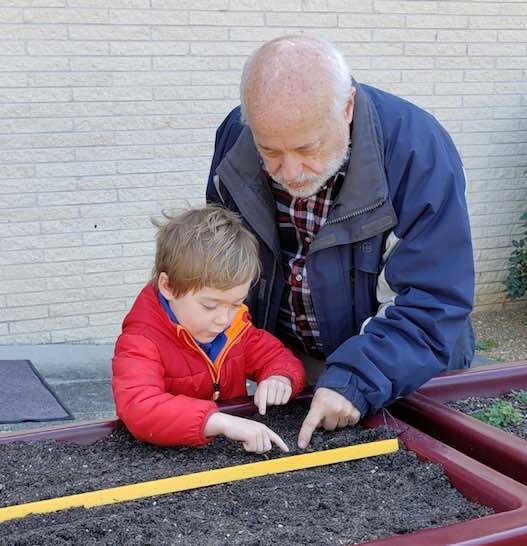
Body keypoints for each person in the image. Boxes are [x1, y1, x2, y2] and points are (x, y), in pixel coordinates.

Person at [206, 36, 475, 449]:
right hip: (294, 368)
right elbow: (222, 263)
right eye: (270, 151)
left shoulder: (417, 152)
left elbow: (433, 300)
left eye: (307, 148)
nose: (290, 172)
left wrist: (356, 378)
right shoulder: (236, 136)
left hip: (406, 369)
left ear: (346, 107)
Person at [112, 206, 306, 453]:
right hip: (168, 458)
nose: (223, 319)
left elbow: (276, 356)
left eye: (236, 304)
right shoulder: (141, 340)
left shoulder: (236, 328)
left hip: (224, 451)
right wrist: (220, 422)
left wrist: (280, 377)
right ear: (168, 287)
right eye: (210, 305)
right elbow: (139, 406)